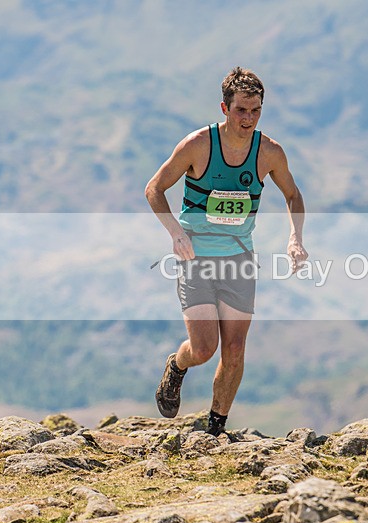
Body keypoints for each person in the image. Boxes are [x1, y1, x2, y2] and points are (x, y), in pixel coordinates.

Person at [145, 66, 308, 437]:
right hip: (195, 258)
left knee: (234, 349)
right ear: (224, 107)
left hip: (238, 259)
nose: (248, 119)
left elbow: (293, 194)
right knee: (204, 348)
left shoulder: (269, 152)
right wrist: (175, 233)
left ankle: (215, 429)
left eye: (255, 110)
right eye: (241, 110)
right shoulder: (198, 145)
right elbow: (154, 188)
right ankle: (177, 364)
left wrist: (295, 238)